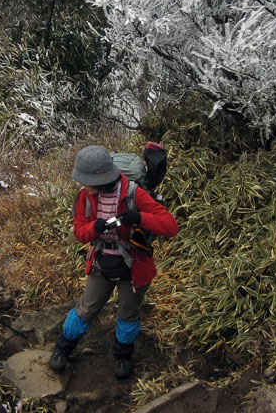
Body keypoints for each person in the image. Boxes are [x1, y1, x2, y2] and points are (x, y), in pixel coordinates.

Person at [48, 145, 179, 379]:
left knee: (128, 314)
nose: (83, 184)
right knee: (85, 310)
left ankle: (123, 355)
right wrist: (93, 229)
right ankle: (62, 348)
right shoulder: (84, 197)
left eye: (86, 180)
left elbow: (170, 226)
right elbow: (79, 232)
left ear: (99, 179)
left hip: (134, 265)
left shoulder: (133, 193)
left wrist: (139, 217)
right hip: (101, 264)